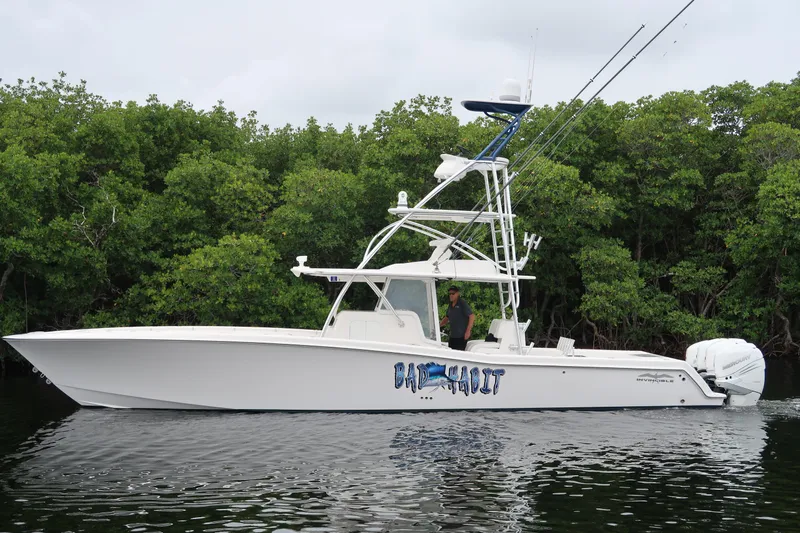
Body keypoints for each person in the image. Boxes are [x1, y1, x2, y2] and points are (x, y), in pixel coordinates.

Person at [440, 286, 475, 351]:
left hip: (461, 336)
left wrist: (468, 331)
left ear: (457, 293)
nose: (451, 295)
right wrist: (438, 326)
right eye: (450, 294)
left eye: (453, 294)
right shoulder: (450, 304)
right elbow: (447, 317)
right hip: (453, 336)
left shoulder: (462, 303)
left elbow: (472, 316)